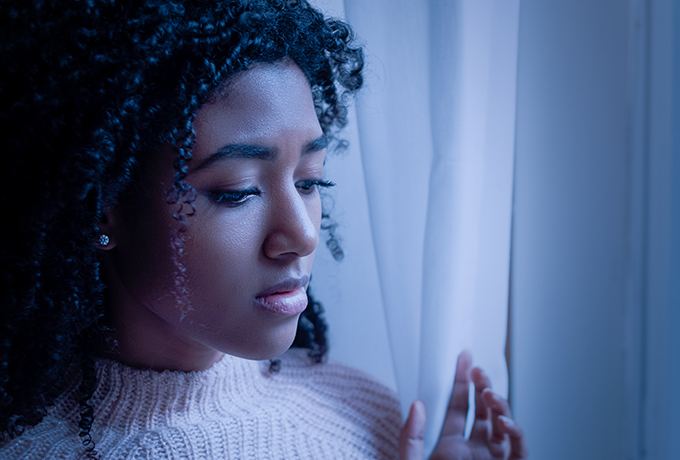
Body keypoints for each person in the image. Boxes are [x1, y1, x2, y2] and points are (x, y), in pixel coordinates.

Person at [0, 1, 527, 459]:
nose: (302, 236)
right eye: (237, 191)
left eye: (310, 181)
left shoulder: (367, 419)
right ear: (103, 205)